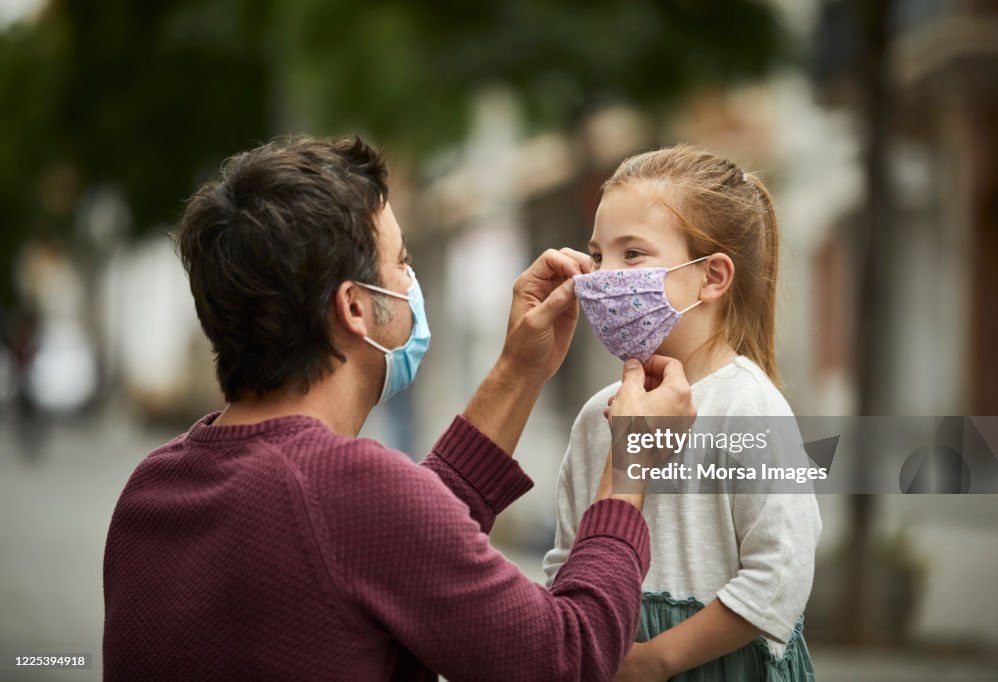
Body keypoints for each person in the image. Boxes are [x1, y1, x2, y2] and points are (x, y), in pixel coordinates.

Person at [102, 136, 696, 681]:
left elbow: (395, 544)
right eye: (403, 262)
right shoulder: (348, 493)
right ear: (356, 308)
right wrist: (630, 467)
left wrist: (519, 370)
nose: (412, 282)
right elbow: (568, 655)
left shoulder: (153, 488)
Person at [543, 145, 821, 681]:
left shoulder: (751, 408)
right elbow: (564, 566)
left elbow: (780, 576)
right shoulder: (597, 415)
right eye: (597, 255)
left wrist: (655, 660)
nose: (603, 277)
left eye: (633, 254)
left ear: (712, 277)